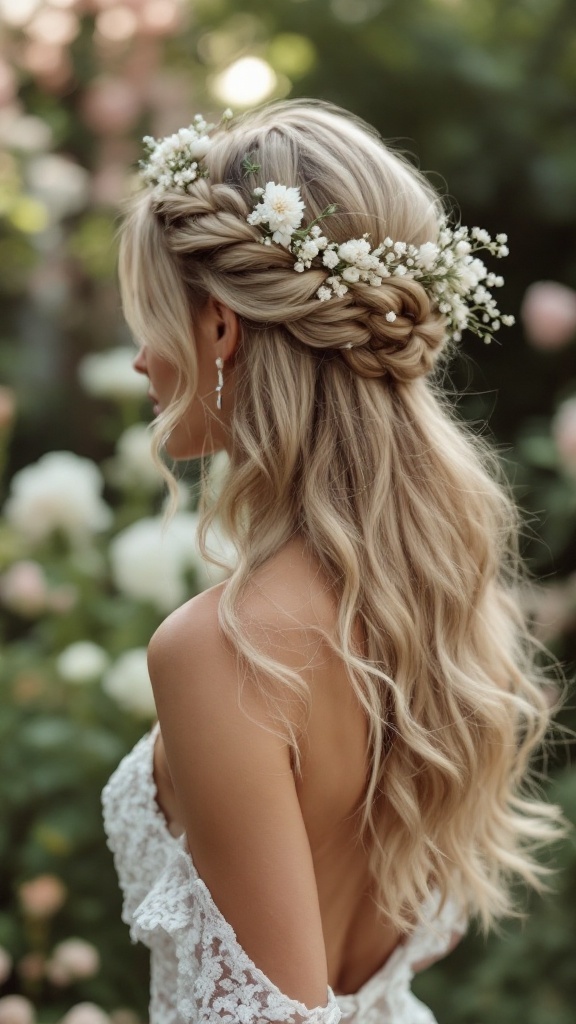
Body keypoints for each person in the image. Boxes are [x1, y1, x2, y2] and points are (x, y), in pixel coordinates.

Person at [101, 100, 563, 1024]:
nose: (141, 362)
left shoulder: (225, 651)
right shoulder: (439, 604)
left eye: (151, 318)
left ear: (222, 330)